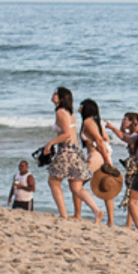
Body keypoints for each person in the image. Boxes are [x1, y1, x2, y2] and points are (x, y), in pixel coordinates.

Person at [41, 87, 94, 220]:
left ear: (61, 98)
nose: (53, 95)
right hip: (75, 150)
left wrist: (50, 143)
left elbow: (66, 134)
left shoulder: (60, 112)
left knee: (53, 181)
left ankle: (63, 214)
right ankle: (96, 210)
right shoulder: (68, 112)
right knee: (76, 186)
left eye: (55, 94)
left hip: (66, 150)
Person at [80, 98, 121, 226]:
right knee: (107, 189)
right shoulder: (96, 122)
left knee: (77, 184)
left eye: (82, 105)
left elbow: (99, 140)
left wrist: (106, 159)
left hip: (96, 157)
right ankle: (111, 221)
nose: (79, 106)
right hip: (103, 156)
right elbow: (105, 139)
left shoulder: (87, 122)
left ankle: (85, 213)